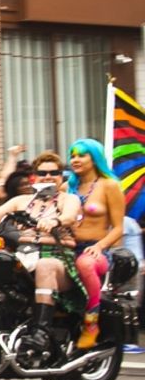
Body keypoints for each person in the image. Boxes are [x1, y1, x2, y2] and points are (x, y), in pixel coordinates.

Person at [0, 152, 84, 358]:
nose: (48, 176)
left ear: (61, 176)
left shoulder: (68, 199)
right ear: (33, 176)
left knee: (45, 265)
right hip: (24, 257)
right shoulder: (21, 200)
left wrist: (55, 221)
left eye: (54, 172)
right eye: (42, 172)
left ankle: (41, 333)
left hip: (57, 257)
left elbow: (70, 216)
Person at [66, 138, 124, 349]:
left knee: (85, 264)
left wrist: (99, 246)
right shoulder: (68, 187)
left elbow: (118, 228)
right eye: (72, 155)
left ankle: (92, 324)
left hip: (96, 249)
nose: (75, 159)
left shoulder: (109, 185)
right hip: (67, 247)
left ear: (95, 157)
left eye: (82, 155)